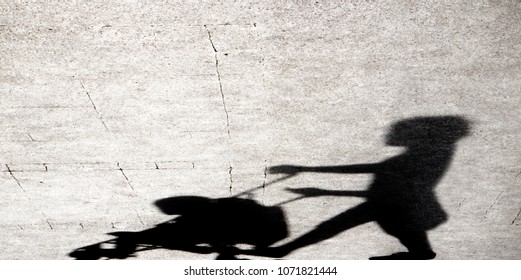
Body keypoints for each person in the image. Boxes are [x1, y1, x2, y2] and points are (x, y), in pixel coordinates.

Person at [253, 116, 470, 259]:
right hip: (390, 206)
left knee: (332, 226)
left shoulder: (421, 158)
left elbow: (369, 171)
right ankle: (284, 250)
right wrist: (322, 190)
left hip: (393, 208)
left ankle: (284, 250)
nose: (391, 136)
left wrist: (305, 169)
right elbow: (378, 189)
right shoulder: (430, 157)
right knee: (332, 226)